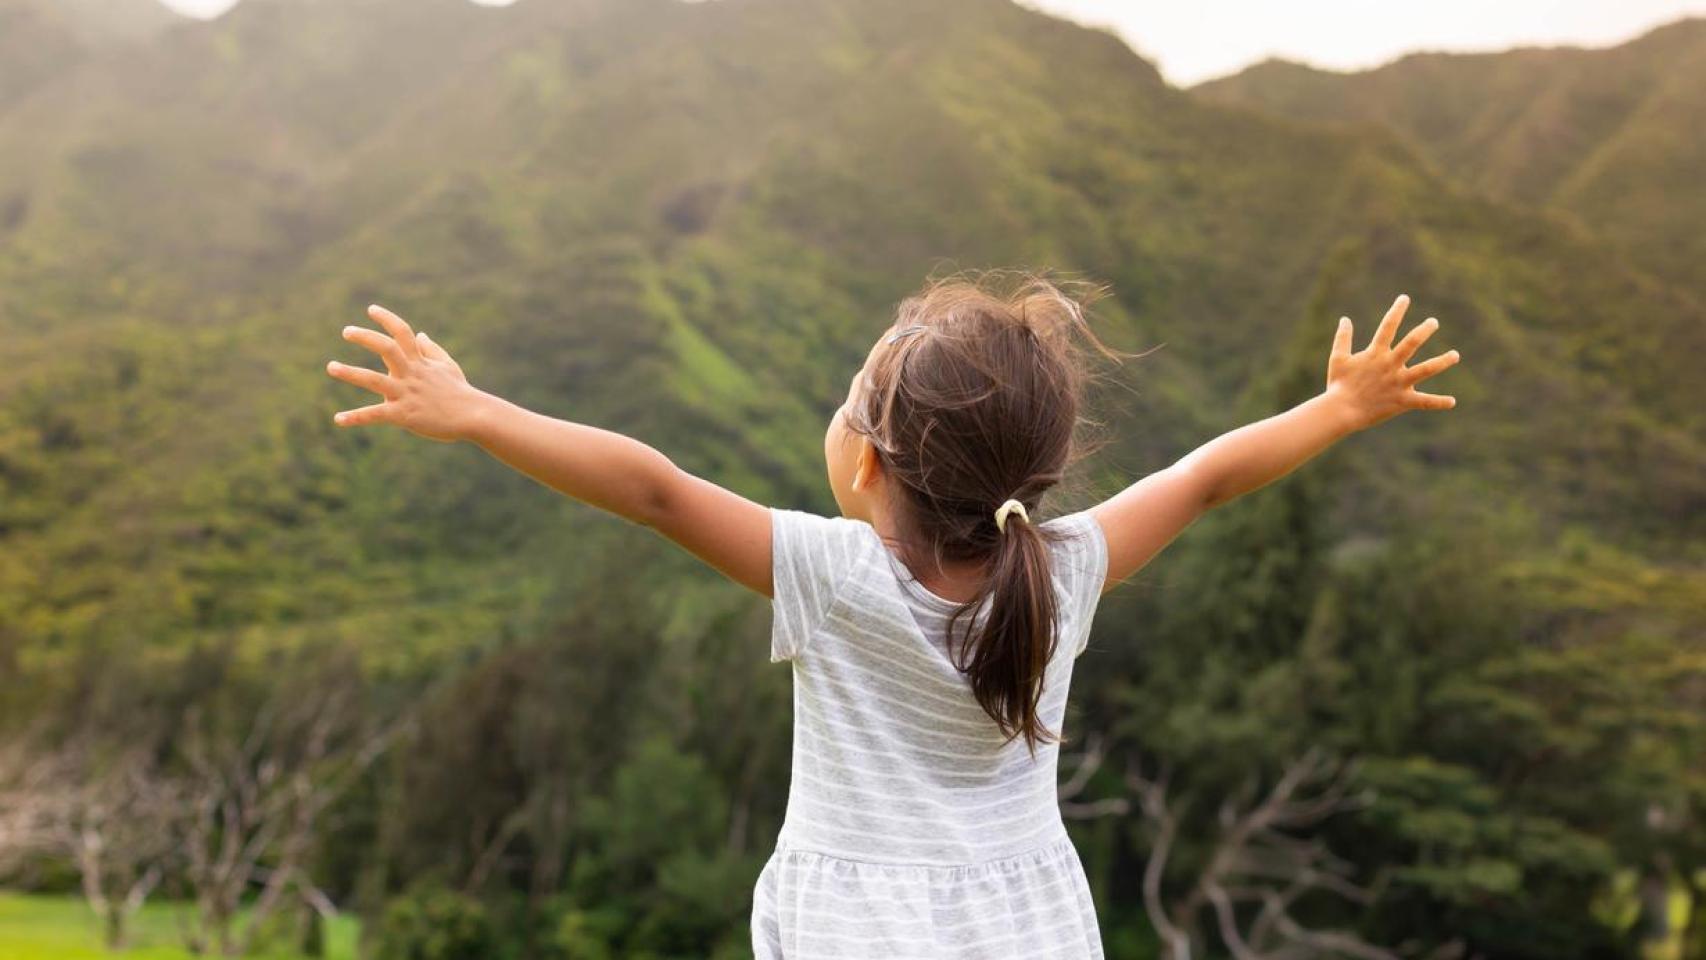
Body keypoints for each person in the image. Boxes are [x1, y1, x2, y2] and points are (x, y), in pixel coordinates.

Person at [325, 269, 1459, 957]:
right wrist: (1337, 407)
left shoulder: (835, 575)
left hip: (853, 936)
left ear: (866, 463)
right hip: (1030, 928)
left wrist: (476, 412)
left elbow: (653, 488)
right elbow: (1203, 477)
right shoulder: (1061, 570)